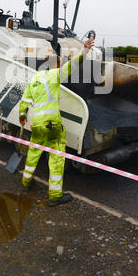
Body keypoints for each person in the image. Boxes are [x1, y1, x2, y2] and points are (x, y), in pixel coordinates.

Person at [19, 37, 94, 206]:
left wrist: (22, 118)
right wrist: (85, 51)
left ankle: (25, 182)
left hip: (37, 123)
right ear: (56, 64)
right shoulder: (55, 74)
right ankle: (54, 196)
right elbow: (72, 65)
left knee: (33, 153)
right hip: (52, 124)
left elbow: (24, 102)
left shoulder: (35, 79)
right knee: (56, 159)